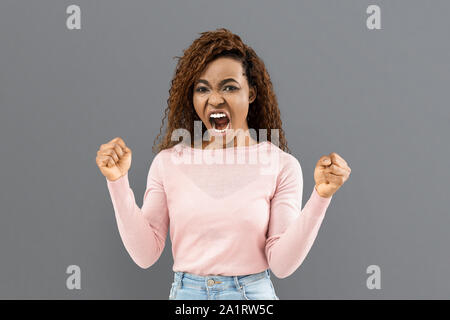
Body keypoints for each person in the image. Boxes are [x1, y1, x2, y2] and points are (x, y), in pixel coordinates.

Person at [95, 28, 351, 300]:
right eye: (202, 89)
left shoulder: (281, 166)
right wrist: (117, 181)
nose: (215, 99)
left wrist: (320, 197)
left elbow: (283, 265)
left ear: (251, 94)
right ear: (192, 97)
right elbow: (145, 255)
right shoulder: (168, 163)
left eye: (229, 87)